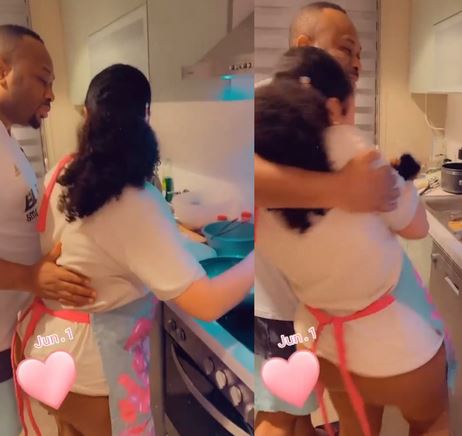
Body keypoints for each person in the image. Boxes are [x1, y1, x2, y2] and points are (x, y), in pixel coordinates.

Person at [12, 64, 254, 436]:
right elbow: (206, 303)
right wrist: (259, 258)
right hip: (95, 370)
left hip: (47, 348)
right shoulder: (134, 201)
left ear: (87, 116)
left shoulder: (62, 171)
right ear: (146, 117)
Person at [255, 46, 451, 436]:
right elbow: (416, 227)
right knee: (432, 421)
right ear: (333, 107)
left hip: (326, 346)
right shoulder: (352, 149)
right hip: (399, 347)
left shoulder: (260, 163)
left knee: (356, 427)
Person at [254, 3, 398, 435]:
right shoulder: (266, 102)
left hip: (327, 307)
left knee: (321, 414)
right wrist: (343, 189)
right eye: (346, 48)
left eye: (360, 55)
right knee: (282, 415)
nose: (357, 62)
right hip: (285, 308)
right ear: (306, 46)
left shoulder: (332, 115)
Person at [0, 24, 95, 436]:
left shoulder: (8, 138)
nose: (51, 94)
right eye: (43, 79)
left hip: (14, 332)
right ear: (2, 71)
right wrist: (30, 277)